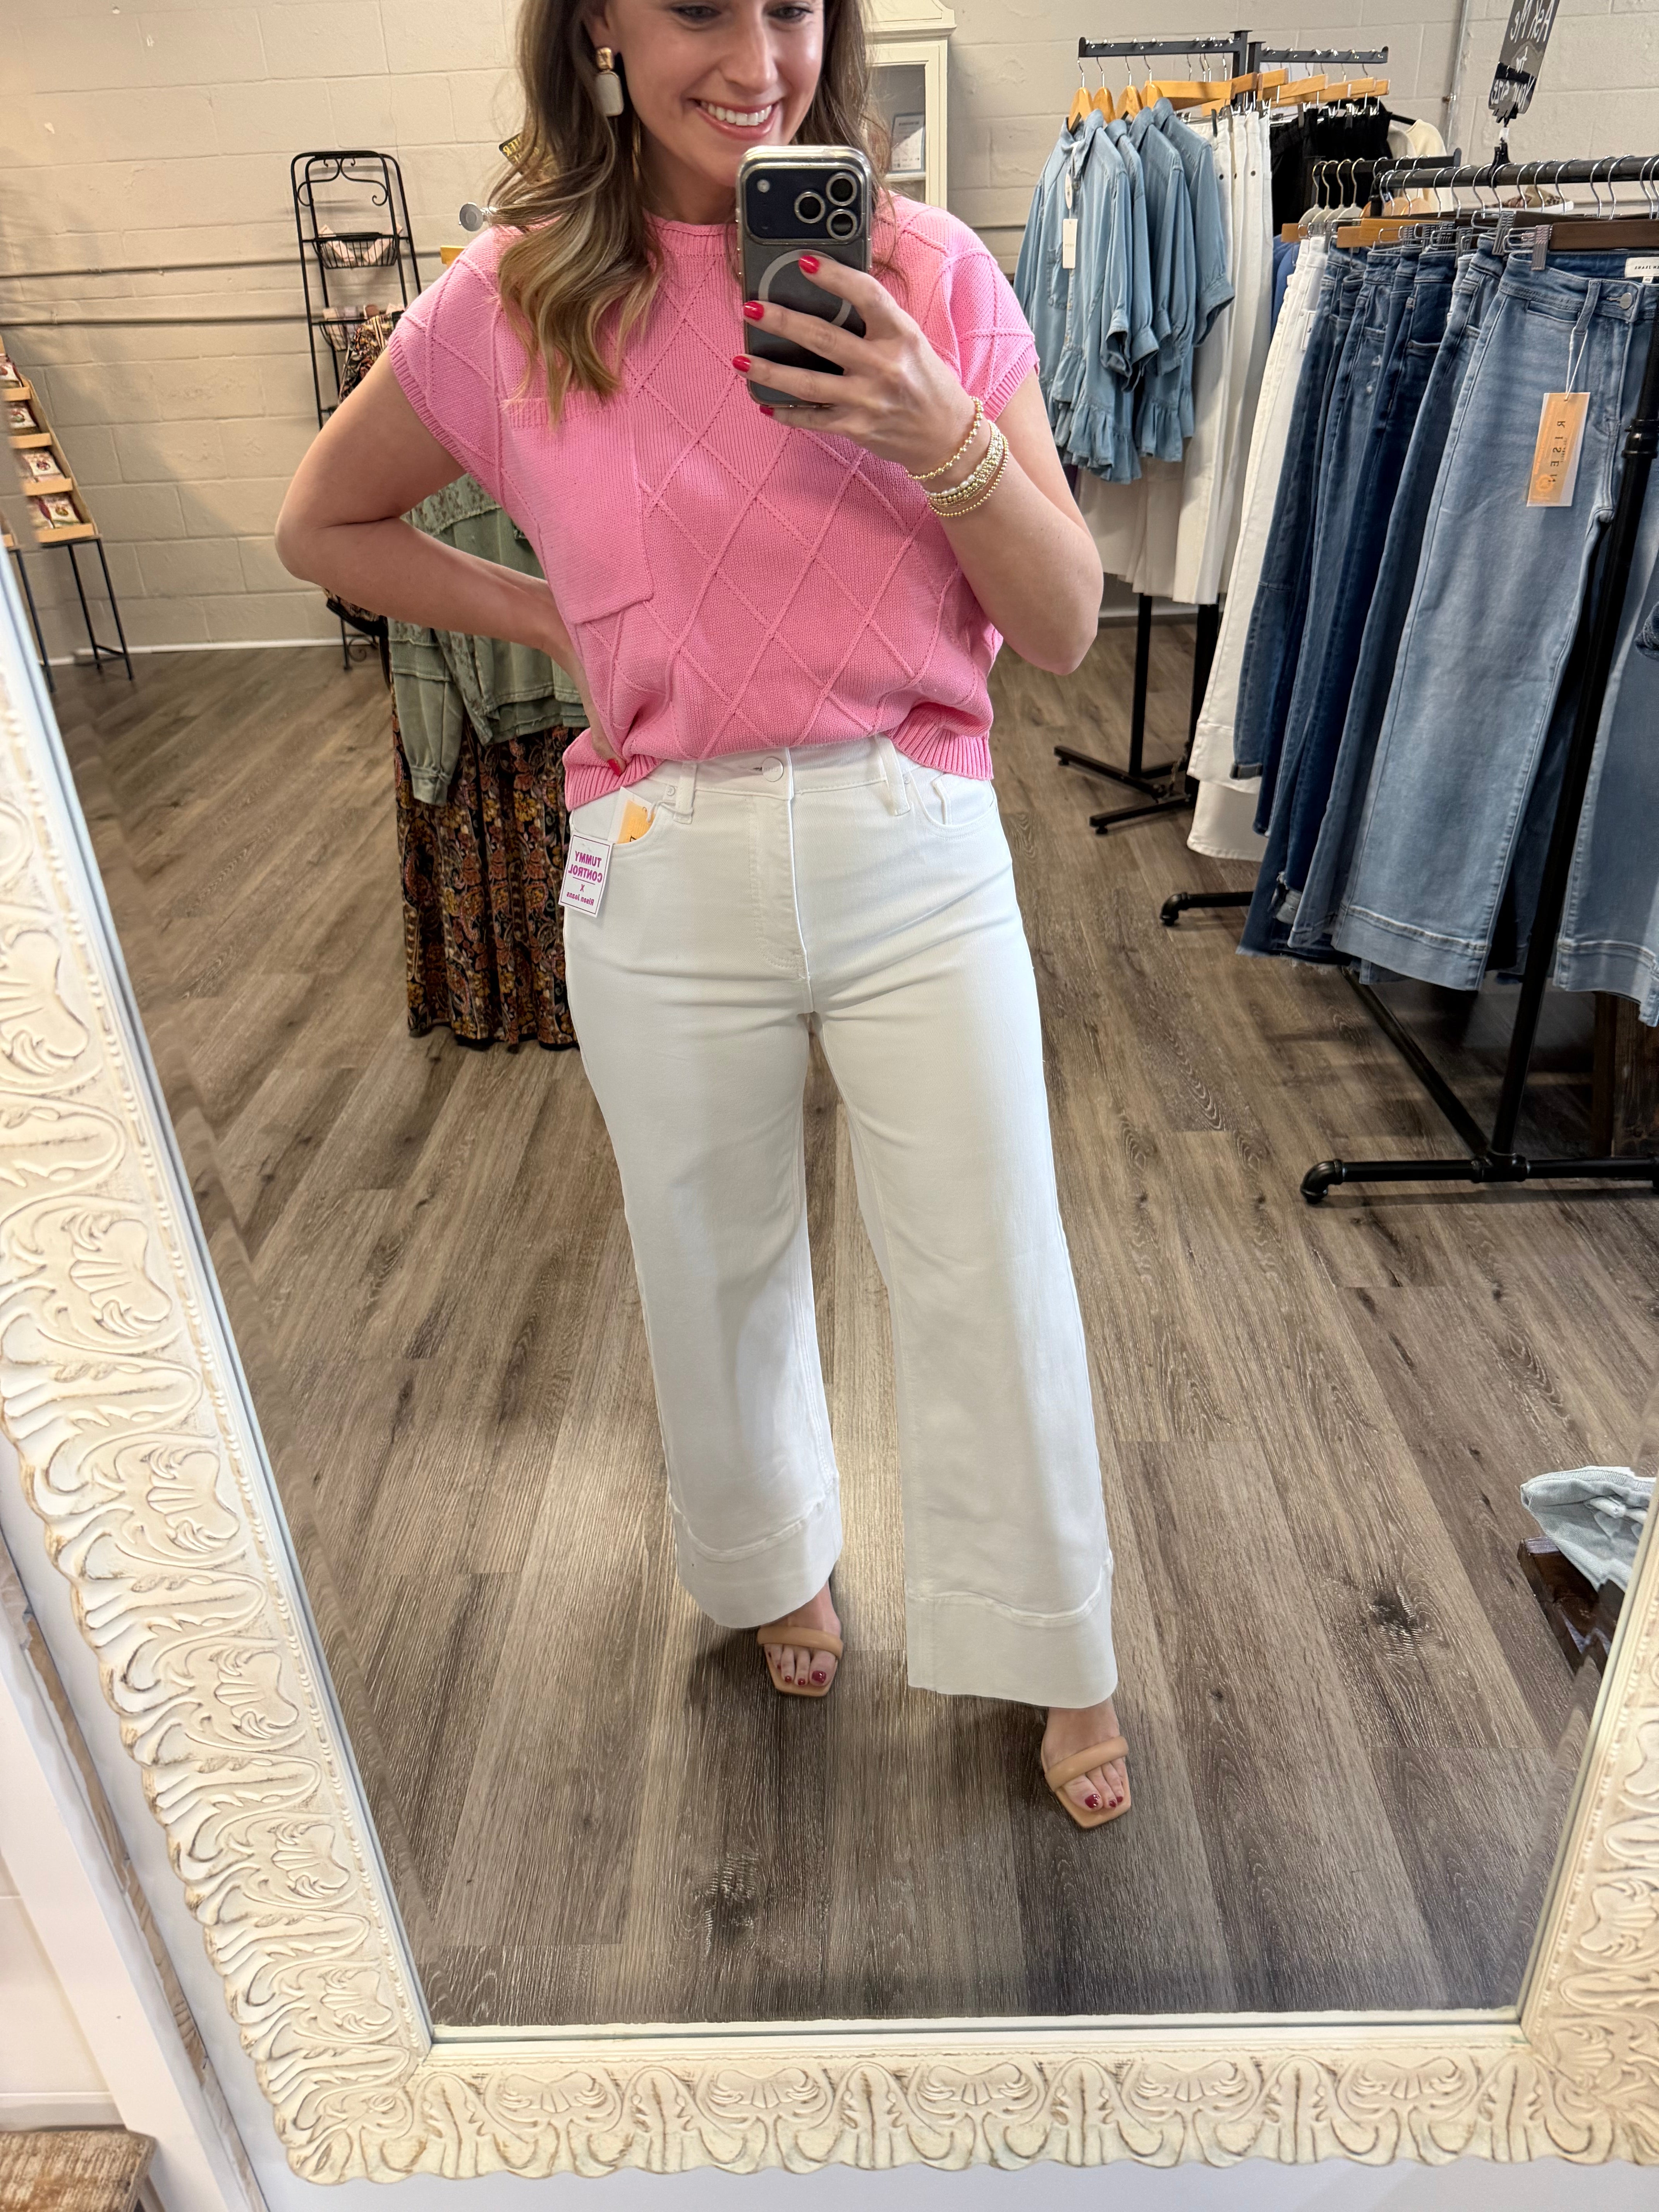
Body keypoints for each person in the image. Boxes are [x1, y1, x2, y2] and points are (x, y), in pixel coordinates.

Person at [276, 0, 1130, 1830]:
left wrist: (941, 432)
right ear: (596, 26)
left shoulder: (928, 271)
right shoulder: (514, 297)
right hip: (659, 854)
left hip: (913, 839)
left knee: (993, 1268)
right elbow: (321, 526)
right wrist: (561, 625)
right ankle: (770, 1564)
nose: (757, 59)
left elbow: (1063, 623)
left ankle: (1054, 1639)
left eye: (792, 6)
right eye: (695, 8)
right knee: (706, 1258)